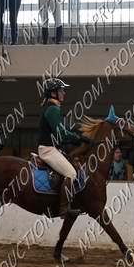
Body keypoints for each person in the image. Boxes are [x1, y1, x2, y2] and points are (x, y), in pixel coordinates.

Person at [37, 78, 92, 217]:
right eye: (61, 90)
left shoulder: (52, 107)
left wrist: (75, 135)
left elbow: (62, 130)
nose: (64, 93)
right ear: (53, 93)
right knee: (71, 173)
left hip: (52, 148)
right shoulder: (52, 109)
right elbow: (61, 134)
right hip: (48, 150)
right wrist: (78, 138)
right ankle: (63, 209)